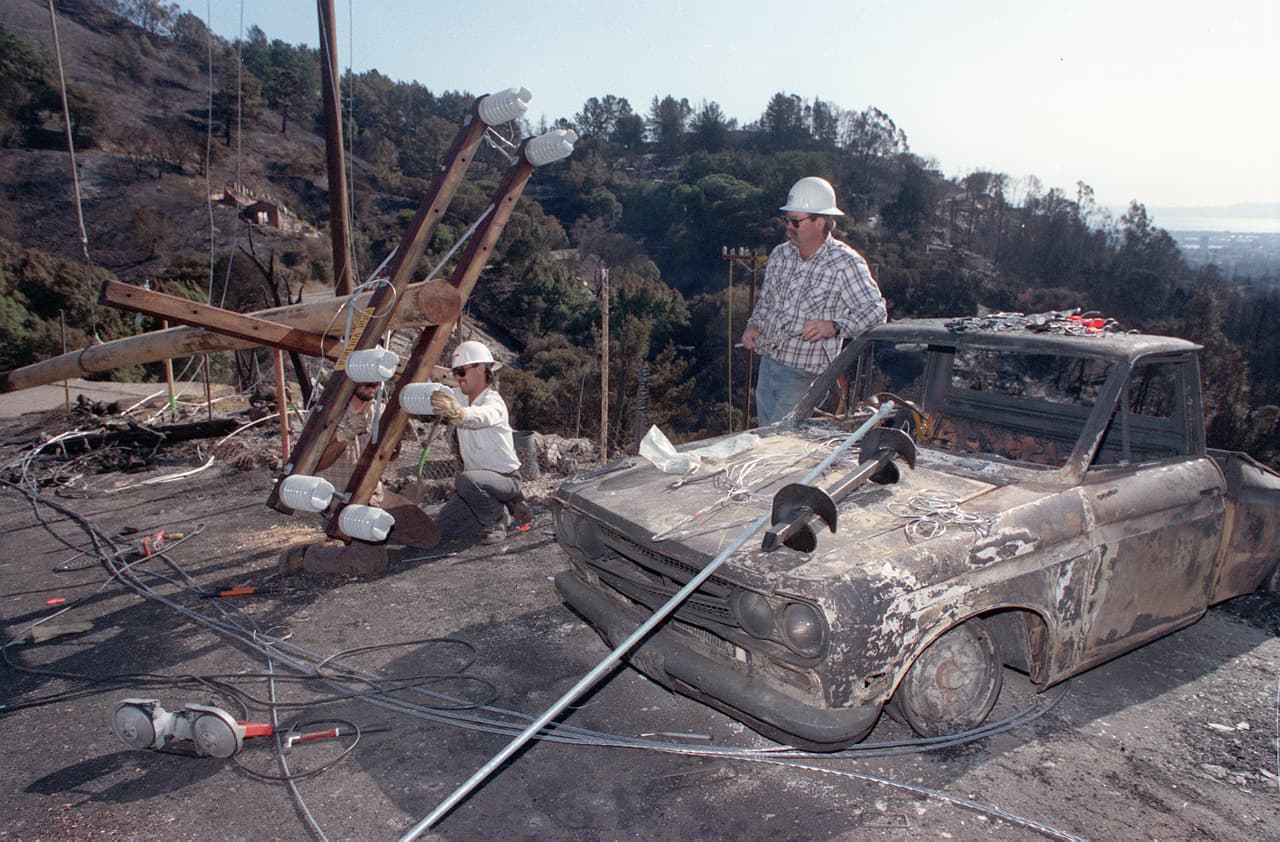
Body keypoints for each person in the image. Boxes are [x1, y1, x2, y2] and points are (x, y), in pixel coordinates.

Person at [741, 176, 887, 426]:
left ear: (821, 222)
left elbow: (876, 312)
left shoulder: (845, 264)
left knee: (778, 444)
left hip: (804, 374)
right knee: (766, 437)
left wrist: (834, 326)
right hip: (768, 365)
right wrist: (753, 326)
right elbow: (765, 305)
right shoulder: (780, 256)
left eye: (796, 221)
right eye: (787, 219)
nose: (789, 226)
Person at [278, 382, 438, 576]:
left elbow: (388, 456)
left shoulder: (379, 410)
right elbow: (313, 465)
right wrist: (343, 437)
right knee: (368, 563)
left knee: (429, 536)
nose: (373, 385)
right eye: (367, 379)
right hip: (340, 504)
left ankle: (368, 539)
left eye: (377, 380)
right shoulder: (324, 414)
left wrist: (394, 446)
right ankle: (306, 556)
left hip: (374, 496)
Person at [429, 340, 532, 545]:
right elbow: (438, 393)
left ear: (482, 369)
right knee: (440, 531)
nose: (458, 378)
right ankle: (504, 508)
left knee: (465, 480)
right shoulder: (459, 396)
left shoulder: (493, 401)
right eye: (456, 373)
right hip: (477, 484)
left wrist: (459, 413)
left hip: (506, 480)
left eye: (461, 372)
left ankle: (497, 519)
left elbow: (483, 416)